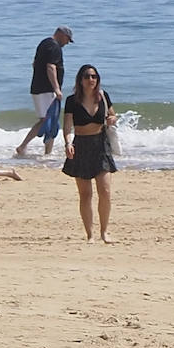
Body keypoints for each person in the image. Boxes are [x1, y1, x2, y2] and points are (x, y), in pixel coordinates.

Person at [61, 64, 119, 244]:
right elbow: (68, 126)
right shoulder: (72, 100)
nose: (91, 79)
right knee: (85, 194)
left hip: (101, 145)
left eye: (94, 76)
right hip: (81, 146)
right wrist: (68, 143)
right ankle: (90, 235)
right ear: (80, 79)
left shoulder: (103, 96)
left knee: (105, 191)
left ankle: (104, 232)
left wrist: (112, 119)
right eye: (87, 76)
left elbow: (112, 116)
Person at [15, 25, 75, 156]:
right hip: (47, 90)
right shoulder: (55, 47)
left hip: (38, 88)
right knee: (50, 120)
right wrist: (57, 89)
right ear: (62, 34)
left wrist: (39, 78)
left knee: (45, 120)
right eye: (67, 40)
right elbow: (51, 67)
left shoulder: (44, 43)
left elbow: (34, 64)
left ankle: (26, 147)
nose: (66, 43)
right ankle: (45, 152)